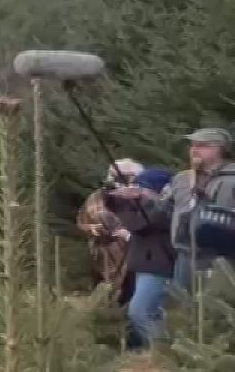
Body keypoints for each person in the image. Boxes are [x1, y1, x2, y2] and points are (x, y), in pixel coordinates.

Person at [146, 127, 235, 294]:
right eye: (192, 145)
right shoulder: (181, 179)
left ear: (219, 148)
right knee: (184, 306)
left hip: (225, 258)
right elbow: (163, 209)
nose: (194, 150)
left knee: (219, 307)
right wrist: (144, 198)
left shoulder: (232, 178)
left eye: (202, 145)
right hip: (186, 254)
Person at [104, 166, 175, 349]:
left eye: (143, 187)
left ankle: (163, 352)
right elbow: (130, 219)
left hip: (159, 266)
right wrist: (114, 198)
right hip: (146, 265)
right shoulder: (147, 208)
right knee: (153, 313)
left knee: (140, 312)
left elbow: (143, 223)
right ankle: (155, 353)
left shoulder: (167, 208)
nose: (138, 191)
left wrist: (143, 199)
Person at [76, 159, 143, 291]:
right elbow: (81, 223)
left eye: (119, 176)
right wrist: (92, 228)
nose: (113, 180)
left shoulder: (139, 199)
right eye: (112, 175)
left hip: (131, 258)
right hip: (101, 256)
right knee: (104, 297)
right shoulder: (95, 198)